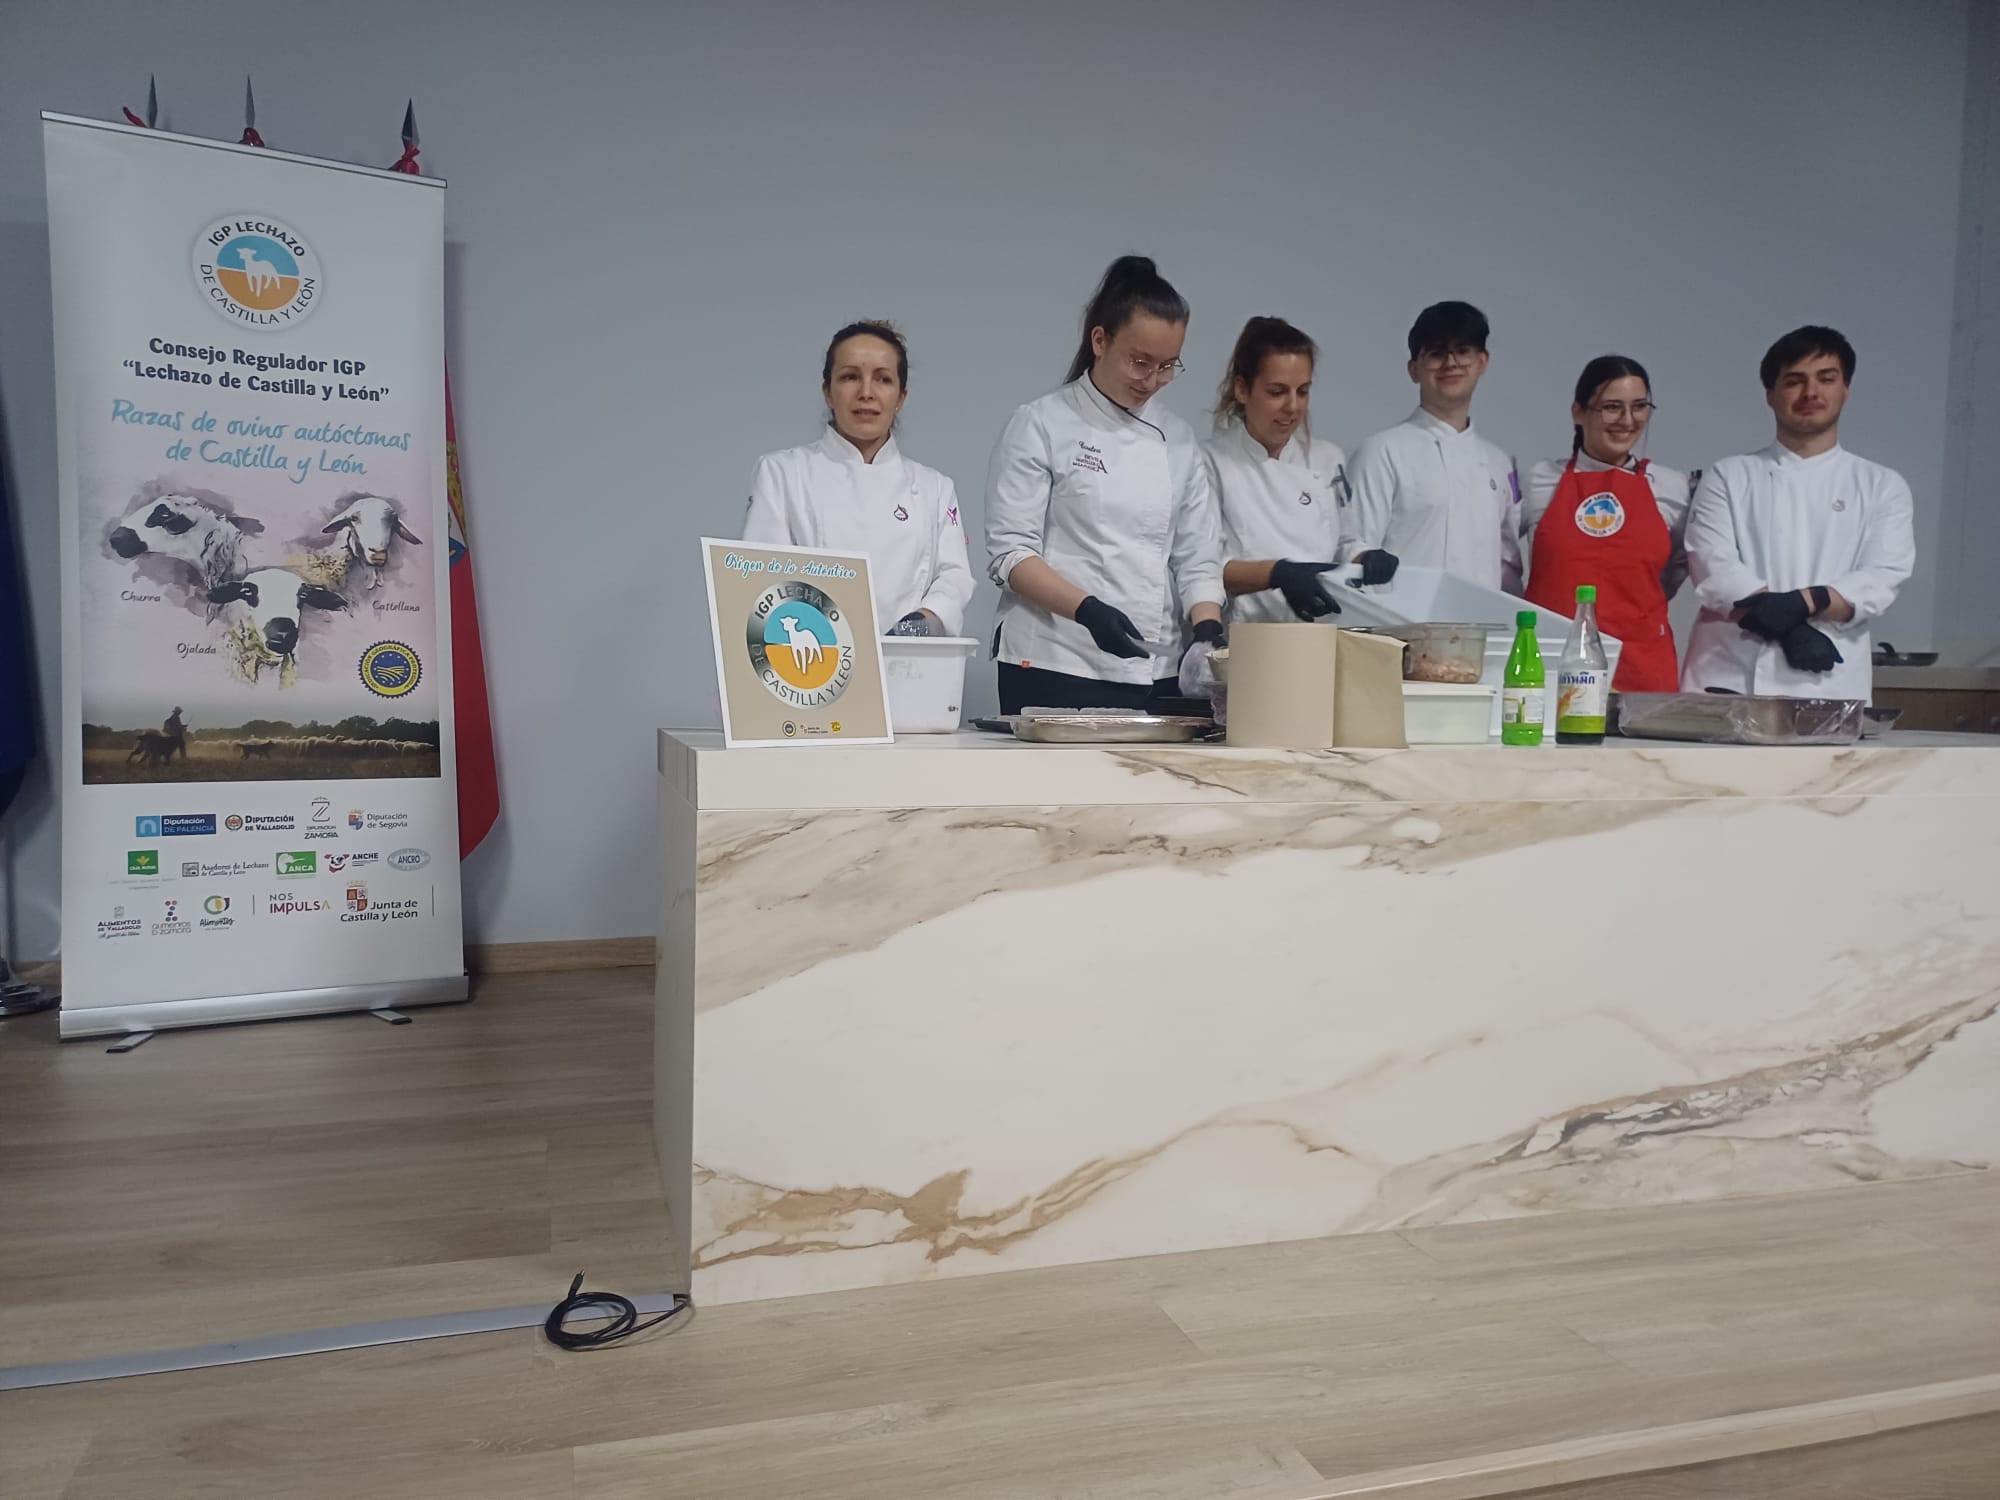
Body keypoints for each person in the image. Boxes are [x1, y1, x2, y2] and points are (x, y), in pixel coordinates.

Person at [985, 256, 1224, 712]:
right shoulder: (1041, 423)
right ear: (1100, 340)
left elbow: (1198, 557)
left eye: (1168, 366)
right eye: (1140, 362)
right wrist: (1088, 611)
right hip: (1055, 661)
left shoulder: (1178, 440)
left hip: (1156, 667)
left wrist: (1207, 629)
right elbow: (1011, 553)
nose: (1153, 380)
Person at [1682, 326, 1915, 701]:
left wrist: (1805, 602)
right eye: (1795, 381)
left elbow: (1882, 576)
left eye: (1826, 378)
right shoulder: (1729, 474)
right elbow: (1713, 567)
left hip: (1830, 680)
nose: (1811, 393)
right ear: (1770, 396)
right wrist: (1790, 627)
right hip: (1729, 676)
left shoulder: (1882, 485)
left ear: (1845, 389)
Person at [743, 320, 974, 637]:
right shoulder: (782, 472)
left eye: (883, 379)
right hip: (811, 668)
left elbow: (954, 576)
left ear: (900, 397)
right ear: (828, 392)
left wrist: (922, 621)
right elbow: (763, 575)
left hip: (911, 666)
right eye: (850, 377)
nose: (866, 393)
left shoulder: (935, 487)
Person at [1520, 356, 1690, 691]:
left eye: (1639, 406)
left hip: (1641, 667)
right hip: (1553, 665)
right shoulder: (1539, 481)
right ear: (1578, 412)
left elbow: (1674, 570)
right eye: (1612, 407)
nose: (1627, 421)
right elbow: (1501, 562)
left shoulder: (1671, 486)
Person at [1342, 300, 1521, 591]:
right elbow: (1353, 546)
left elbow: (1508, 566)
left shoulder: (1499, 463)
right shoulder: (1382, 452)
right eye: (1436, 354)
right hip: (1401, 630)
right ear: (1414, 369)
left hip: (1483, 629)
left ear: (1482, 361)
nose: (1451, 363)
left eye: (1463, 351)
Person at [1205, 316, 1351, 625]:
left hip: (1324, 637)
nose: (1293, 407)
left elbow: (1346, 545)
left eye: (1303, 391)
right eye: (1277, 392)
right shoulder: (1210, 461)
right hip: (1247, 643)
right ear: (1242, 389)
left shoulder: (1328, 458)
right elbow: (1202, 567)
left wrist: (1367, 557)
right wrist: (1277, 574)